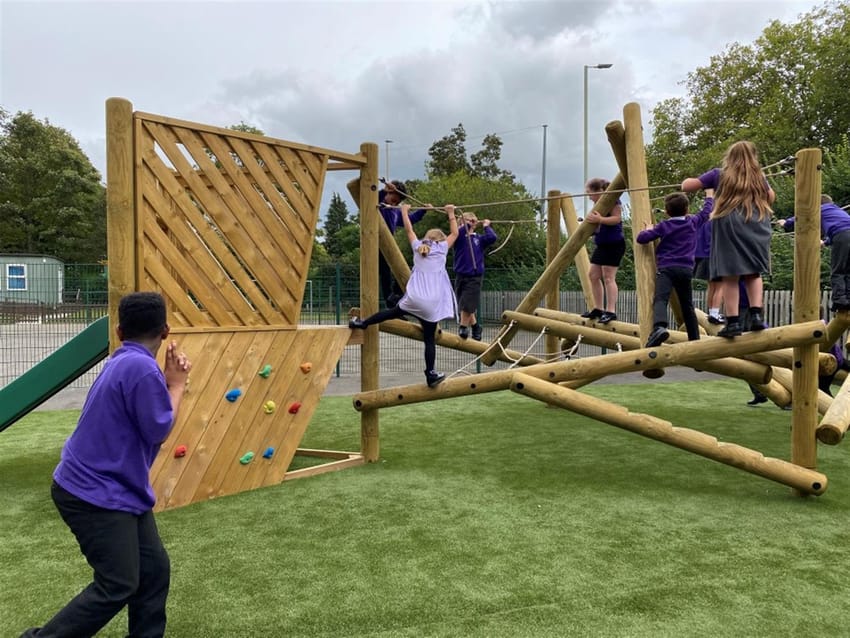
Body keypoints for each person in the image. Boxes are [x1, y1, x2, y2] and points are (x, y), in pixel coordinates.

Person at [21, 292, 192, 638]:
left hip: (118, 489)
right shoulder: (141, 368)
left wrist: (166, 382)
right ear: (165, 331)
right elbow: (159, 428)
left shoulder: (124, 360)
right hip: (92, 492)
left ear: (119, 331)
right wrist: (177, 385)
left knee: (153, 570)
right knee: (118, 582)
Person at [350, 203, 459, 387]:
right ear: (440, 240)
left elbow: (409, 230)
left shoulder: (418, 247)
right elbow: (455, 233)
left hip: (415, 298)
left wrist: (404, 211)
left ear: (427, 238)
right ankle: (430, 374)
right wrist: (451, 213)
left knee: (391, 312)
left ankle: (362, 323)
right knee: (429, 339)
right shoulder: (442, 249)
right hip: (431, 303)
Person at [682, 141, 775, 338]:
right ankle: (756, 315)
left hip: (729, 225)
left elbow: (687, 186)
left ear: (730, 157)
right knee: (754, 273)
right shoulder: (759, 176)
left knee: (730, 275)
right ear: (753, 157)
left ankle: (733, 322)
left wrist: (698, 183)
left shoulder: (719, 174)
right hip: (757, 223)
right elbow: (770, 197)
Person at [636, 190, 713, 348]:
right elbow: (706, 212)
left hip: (667, 268)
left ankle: (659, 327)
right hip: (686, 269)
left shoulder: (664, 226)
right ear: (687, 209)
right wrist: (709, 195)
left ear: (667, 211)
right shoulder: (692, 222)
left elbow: (641, 239)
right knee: (687, 305)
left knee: (660, 299)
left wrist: (648, 229)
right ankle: (694, 338)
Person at [774, 194, 850, 311]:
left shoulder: (820, 209)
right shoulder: (837, 211)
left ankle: (840, 300)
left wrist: (785, 223)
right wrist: (825, 243)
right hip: (843, 234)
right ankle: (848, 298)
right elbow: (842, 228)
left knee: (838, 270)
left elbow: (802, 217)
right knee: (848, 270)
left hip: (841, 236)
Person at [377, 180, 430, 308]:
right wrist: (384, 190)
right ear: (388, 193)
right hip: (375, 243)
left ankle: (394, 299)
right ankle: (389, 300)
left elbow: (410, 220)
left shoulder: (395, 211)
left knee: (396, 270)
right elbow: (372, 197)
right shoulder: (379, 203)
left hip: (387, 244)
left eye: (397, 202)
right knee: (384, 273)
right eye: (393, 200)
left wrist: (422, 211)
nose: (394, 204)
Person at [581, 177, 626, 324]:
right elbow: (599, 226)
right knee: (593, 275)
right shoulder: (597, 205)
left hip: (614, 244)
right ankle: (598, 308)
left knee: (608, 277)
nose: (589, 197)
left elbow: (616, 219)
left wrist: (600, 220)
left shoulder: (613, 201)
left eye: (590, 193)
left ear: (599, 191)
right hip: (602, 245)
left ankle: (610, 311)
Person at [452, 211, 498, 340]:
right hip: (461, 274)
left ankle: (463, 327)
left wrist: (486, 227)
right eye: (466, 221)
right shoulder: (459, 236)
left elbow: (492, 238)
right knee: (463, 303)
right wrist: (466, 224)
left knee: (467, 302)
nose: (470, 222)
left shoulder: (478, 238)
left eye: (472, 220)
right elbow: (461, 230)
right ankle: (476, 326)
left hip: (474, 276)